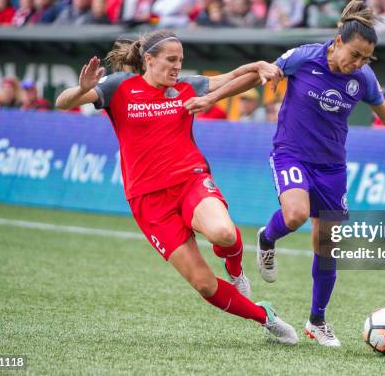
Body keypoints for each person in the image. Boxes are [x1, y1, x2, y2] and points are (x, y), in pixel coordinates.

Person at [183, 0, 385, 347]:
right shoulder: (306, 57)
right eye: (355, 54)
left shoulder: (363, 78)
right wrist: (213, 98)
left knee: (326, 245)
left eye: (365, 59)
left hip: (332, 165)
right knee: (295, 214)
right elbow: (259, 75)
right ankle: (267, 238)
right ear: (338, 41)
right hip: (291, 153)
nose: (357, 63)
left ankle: (317, 321)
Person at [55, 30, 298, 345]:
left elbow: (239, 77)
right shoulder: (118, 87)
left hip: (190, 180)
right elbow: (62, 102)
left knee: (223, 233)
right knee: (204, 284)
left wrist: (261, 66)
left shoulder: (186, 86)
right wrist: (81, 90)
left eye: (180, 61)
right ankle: (265, 317)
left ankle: (236, 272)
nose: (176, 67)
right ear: (149, 60)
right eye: (170, 60)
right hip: (148, 200)